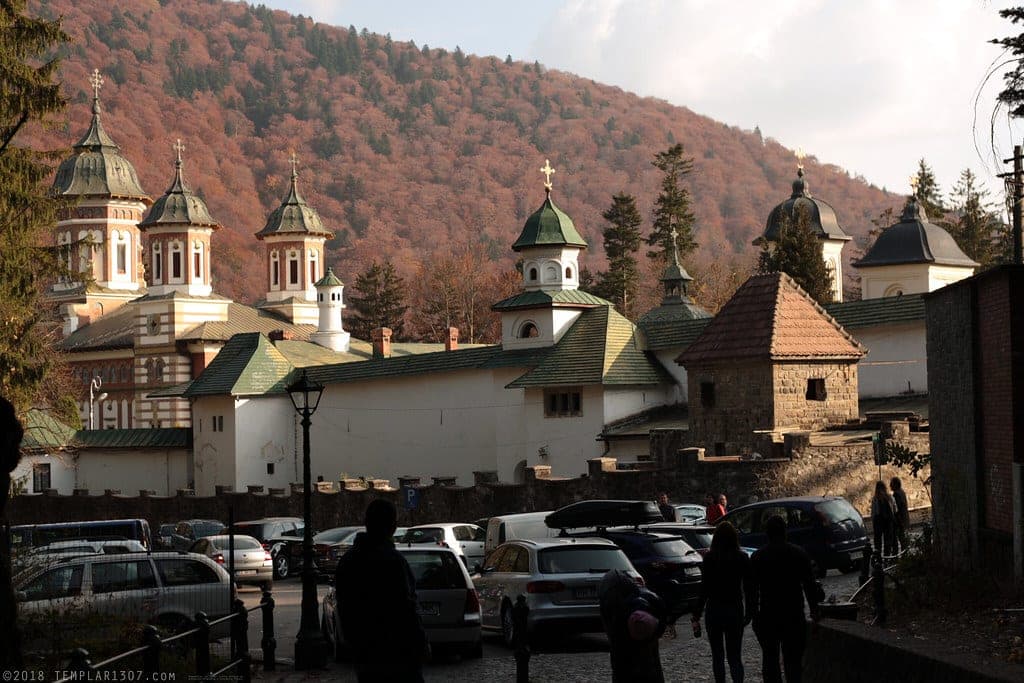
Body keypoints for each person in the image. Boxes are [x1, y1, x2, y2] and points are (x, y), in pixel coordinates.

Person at [335, 498, 428, 682]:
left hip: (365, 653)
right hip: (398, 653)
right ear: (392, 527)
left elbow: (345, 608)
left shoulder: (348, 562)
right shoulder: (393, 561)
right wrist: (421, 643)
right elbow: (406, 609)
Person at [749, 515, 819, 683]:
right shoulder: (798, 553)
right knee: (793, 663)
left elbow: (751, 591)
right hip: (793, 614)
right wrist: (814, 610)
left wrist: (753, 616)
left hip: (768, 615)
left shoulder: (758, 557)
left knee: (770, 661)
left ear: (767, 534)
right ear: (785, 532)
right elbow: (809, 585)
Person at [691, 522, 753, 683]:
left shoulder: (710, 558)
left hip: (714, 610)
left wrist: (696, 614)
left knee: (717, 656)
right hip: (734, 609)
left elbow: (704, 589)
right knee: (735, 656)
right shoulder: (742, 557)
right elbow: (749, 588)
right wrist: (750, 612)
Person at [599, 568, 667, 683]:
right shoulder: (617, 614)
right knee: (626, 662)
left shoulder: (656, 608)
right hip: (612, 596)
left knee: (648, 661)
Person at [871, 480, 896, 558]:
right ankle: (887, 557)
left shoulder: (875, 498)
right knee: (887, 541)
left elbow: (873, 512)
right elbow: (895, 509)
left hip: (878, 522)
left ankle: (879, 558)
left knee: (878, 542)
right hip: (888, 522)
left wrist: (873, 522)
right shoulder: (890, 497)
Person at [890, 477, 910, 553]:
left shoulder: (896, 494)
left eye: (891, 484)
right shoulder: (902, 492)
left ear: (895, 484)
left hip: (900, 522)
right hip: (904, 520)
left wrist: (897, 521)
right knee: (904, 542)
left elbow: (897, 509)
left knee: (902, 541)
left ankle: (904, 556)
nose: (890, 485)